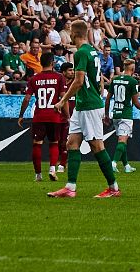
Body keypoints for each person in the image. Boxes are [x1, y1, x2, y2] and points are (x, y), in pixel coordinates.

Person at [48, 20, 120, 199]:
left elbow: (78, 81)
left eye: (71, 32)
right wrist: (100, 92)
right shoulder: (93, 52)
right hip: (83, 106)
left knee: (96, 146)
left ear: (75, 34)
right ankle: (70, 187)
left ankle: (113, 188)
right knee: (72, 143)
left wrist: (62, 101)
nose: (69, 35)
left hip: (89, 105)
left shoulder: (80, 53)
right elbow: (98, 78)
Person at [17, 58, 67, 181]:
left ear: (41, 63)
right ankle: (52, 169)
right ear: (52, 63)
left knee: (37, 144)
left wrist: (21, 115)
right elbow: (63, 98)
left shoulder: (34, 78)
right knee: (54, 143)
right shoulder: (59, 77)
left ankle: (38, 175)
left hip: (39, 116)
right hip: (54, 116)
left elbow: (27, 98)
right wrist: (67, 115)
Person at [107, 64, 140, 176]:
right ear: (132, 69)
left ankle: (126, 166)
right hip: (126, 114)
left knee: (123, 141)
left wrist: (106, 114)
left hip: (116, 114)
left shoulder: (115, 79)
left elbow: (108, 98)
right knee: (122, 141)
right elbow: (135, 101)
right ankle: (113, 163)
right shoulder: (133, 82)